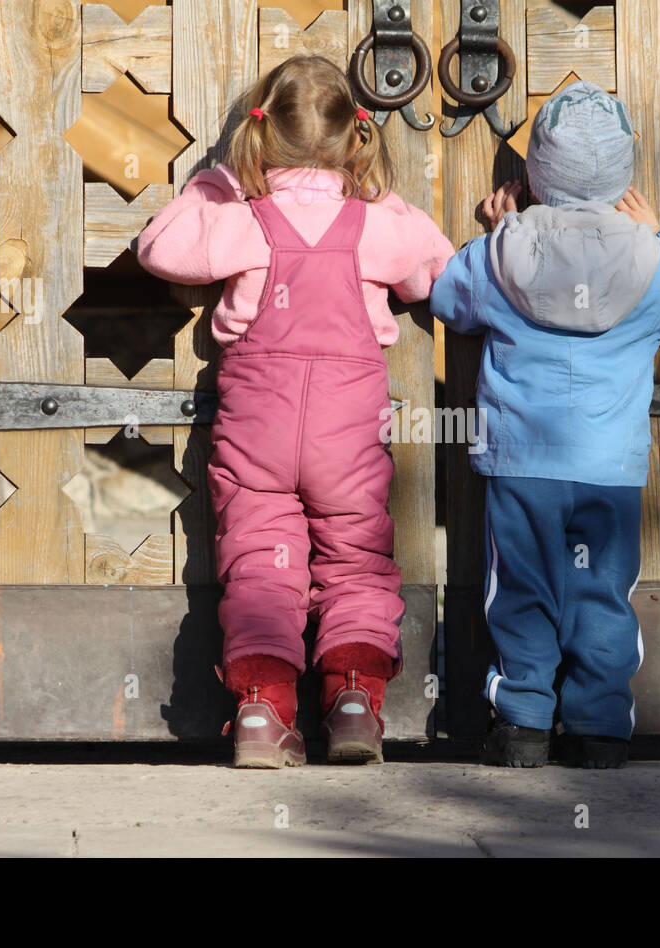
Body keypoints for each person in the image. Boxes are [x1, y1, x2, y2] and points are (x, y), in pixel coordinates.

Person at [138, 56, 454, 767]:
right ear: (354, 141)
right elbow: (437, 267)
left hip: (260, 430)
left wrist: (214, 184)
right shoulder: (374, 225)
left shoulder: (243, 221)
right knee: (357, 562)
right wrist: (380, 199)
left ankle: (260, 713)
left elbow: (158, 247)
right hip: (346, 435)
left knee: (259, 564)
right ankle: (351, 703)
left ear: (258, 139)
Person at [429, 81, 660, 768]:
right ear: (623, 174)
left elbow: (448, 297)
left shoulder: (503, 254)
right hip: (609, 466)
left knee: (521, 590)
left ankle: (524, 721)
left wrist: (499, 229)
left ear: (535, 173)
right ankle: (599, 726)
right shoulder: (654, 265)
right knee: (601, 591)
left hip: (522, 463)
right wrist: (658, 234)